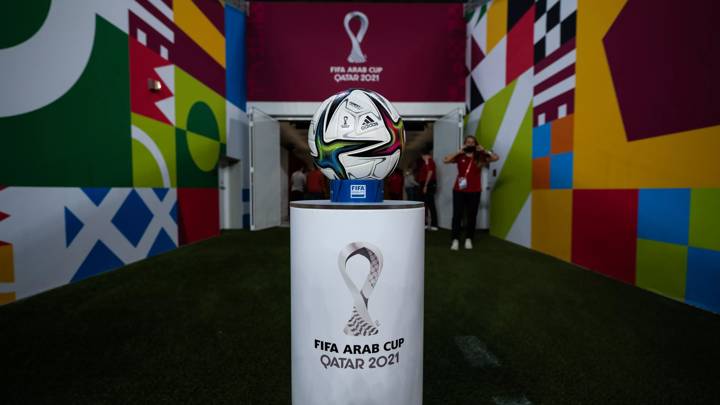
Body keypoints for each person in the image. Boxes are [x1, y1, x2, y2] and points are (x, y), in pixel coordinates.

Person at [443, 136, 499, 250]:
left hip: (474, 191)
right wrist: (459, 151)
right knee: (457, 216)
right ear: (465, 144)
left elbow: (496, 158)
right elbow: (446, 160)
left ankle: (469, 239)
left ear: (475, 144)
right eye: (468, 142)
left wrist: (483, 150)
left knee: (471, 216)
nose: (470, 144)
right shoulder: (460, 156)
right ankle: (455, 239)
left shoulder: (480, 157)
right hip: (459, 190)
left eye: (472, 142)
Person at [416, 149, 438, 230]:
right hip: (425, 183)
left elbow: (430, 172)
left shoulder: (429, 161)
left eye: (423, 156)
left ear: (425, 155)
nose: (422, 157)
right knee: (424, 204)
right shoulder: (426, 162)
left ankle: (434, 225)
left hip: (428, 184)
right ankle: (425, 224)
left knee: (430, 204)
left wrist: (425, 185)